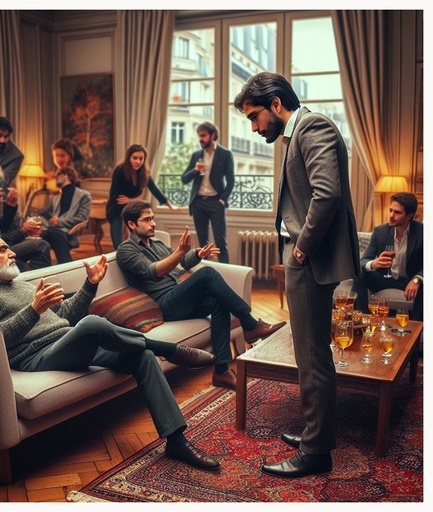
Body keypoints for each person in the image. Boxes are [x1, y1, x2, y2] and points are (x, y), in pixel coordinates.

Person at [0, 225, 219, 471]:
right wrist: (33, 310)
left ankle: (177, 442)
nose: (13, 252)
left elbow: (66, 317)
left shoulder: (21, 285)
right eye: (3, 249)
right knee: (92, 323)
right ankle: (171, 350)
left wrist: (90, 285)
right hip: (36, 357)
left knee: (143, 355)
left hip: (67, 343)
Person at [234, 72, 359, 478]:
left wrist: (301, 248)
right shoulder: (299, 131)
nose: (254, 128)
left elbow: (328, 193)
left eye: (254, 117)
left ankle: (316, 452)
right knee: (312, 353)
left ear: (275, 104)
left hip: (309, 259)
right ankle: (316, 434)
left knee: (311, 357)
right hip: (305, 259)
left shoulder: (312, 125)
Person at [116, 200, 286, 391]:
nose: (153, 223)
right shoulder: (126, 250)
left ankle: (221, 371)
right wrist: (180, 251)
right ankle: (250, 324)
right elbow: (153, 272)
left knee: (217, 302)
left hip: (177, 296)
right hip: (164, 304)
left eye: (153, 218)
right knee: (207, 274)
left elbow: (180, 263)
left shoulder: (156, 243)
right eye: (147, 220)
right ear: (132, 224)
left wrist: (196, 254)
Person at [351, 192, 423, 321]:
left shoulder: (422, 232)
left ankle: (418, 329)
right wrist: (374, 263)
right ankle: (363, 319)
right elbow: (363, 261)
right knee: (359, 273)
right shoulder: (380, 231)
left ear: (409, 216)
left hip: (407, 280)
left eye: (397, 212)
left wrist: (417, 279)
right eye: (390, 210)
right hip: (384, 278)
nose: (391, 216)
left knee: (424, 284)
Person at [181, 122, 235, 264]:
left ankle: (226, 276)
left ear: (212, 135)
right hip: (198, 202)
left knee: (220, 243)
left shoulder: (225, 154)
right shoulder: (196, 155)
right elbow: (184, 179)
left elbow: (231, 180)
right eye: (199, 136)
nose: (201, 139)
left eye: (203, 136)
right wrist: (195, 171)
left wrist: (223, 200)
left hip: (216, 202)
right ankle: (204, 274)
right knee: (203, 244)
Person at [107, 144, 174, 249]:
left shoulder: (144, 173)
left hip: (132, 208)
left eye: (141, 158)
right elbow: (115, 196)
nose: (138, 161)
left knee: (138, 240)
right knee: (118, 245)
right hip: (116, 207)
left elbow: (154, 190)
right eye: (135, 158)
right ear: (129, 157)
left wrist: (170, 206)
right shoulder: (120, 170)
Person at [39, 166, 91, 264]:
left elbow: (82, 218)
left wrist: (59, 221)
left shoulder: (83, 195)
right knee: (37, 241)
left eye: (58, 174)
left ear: (67, 175)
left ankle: (65, 265)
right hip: (51, 230)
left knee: (54, 234)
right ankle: (42, 270)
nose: (56, 177)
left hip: (68, 233)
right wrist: (50, 219)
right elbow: (43, 213)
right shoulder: (55, 197)